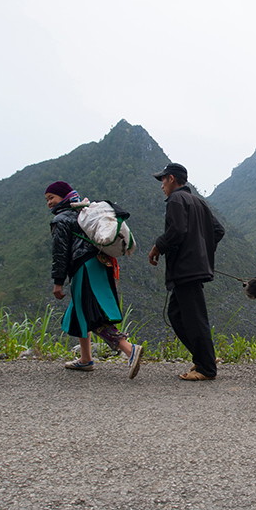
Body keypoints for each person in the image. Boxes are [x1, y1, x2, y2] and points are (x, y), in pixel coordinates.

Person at [46, 181, 144, 376]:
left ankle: (130, 350)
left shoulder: (62, 219)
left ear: (63, 197)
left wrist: (58, 282)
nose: (49, 202)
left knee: (93, 313)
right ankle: (85, 359)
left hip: (85, 268)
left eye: (52, 198)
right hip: (101, 264)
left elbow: (60, 253)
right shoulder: (84, 214)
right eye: (47, 199)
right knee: (80, 311)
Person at [147, 163, 225, 381]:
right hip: (193, 267)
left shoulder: (176, 199)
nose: (162, 185)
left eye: (163, 180)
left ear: (171, 179)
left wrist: (157, 247)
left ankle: (206, 367)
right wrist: (201, 250)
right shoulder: (198, 201)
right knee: (177, 314)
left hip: (185, 269)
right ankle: (204, 357)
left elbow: (177, 230)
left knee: (193, 318)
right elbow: (218, 230)